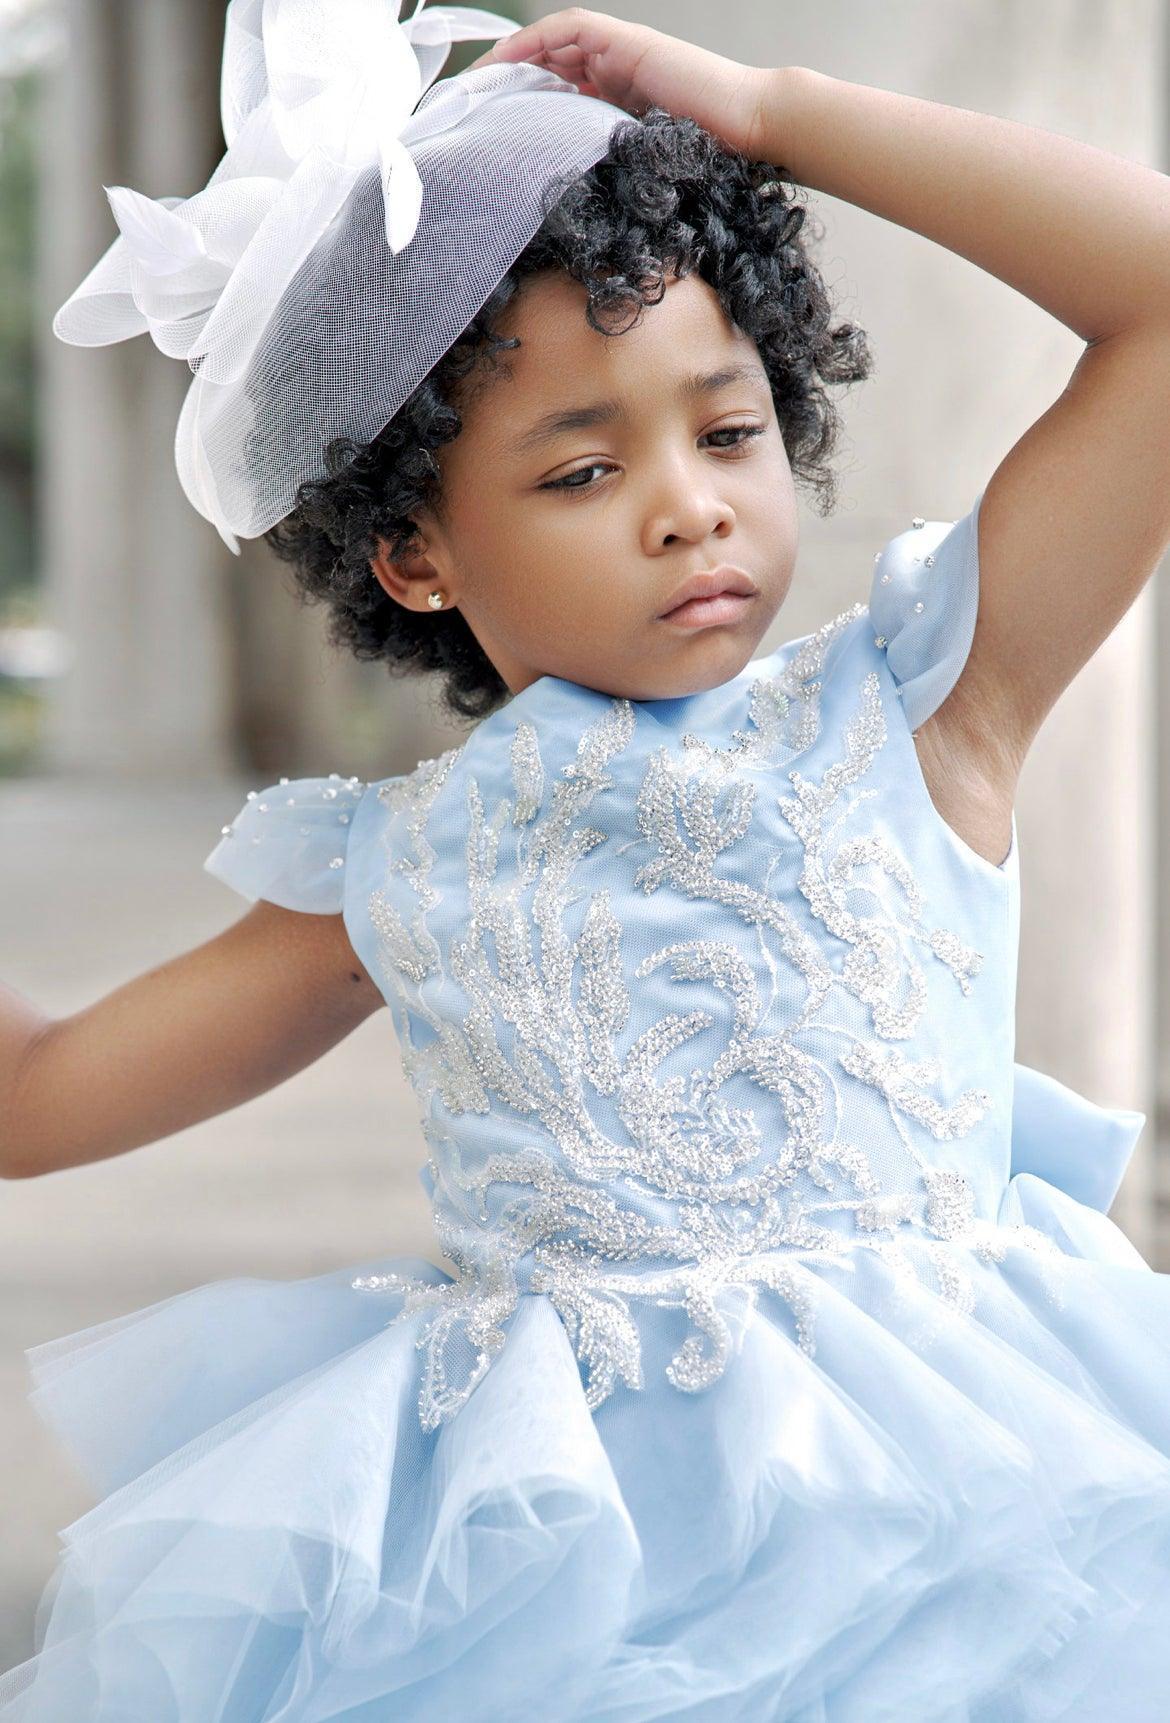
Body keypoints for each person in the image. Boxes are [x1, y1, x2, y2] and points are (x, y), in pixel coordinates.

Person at [3, 3, 1170, 1716]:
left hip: (978, 1516)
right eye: (581, 467)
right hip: (564, 1591)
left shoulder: (925, 710)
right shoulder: (392, 872)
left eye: (727, 428)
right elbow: (34, 1100)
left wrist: (772, 109)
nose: (688, 505)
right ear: (412, 553)